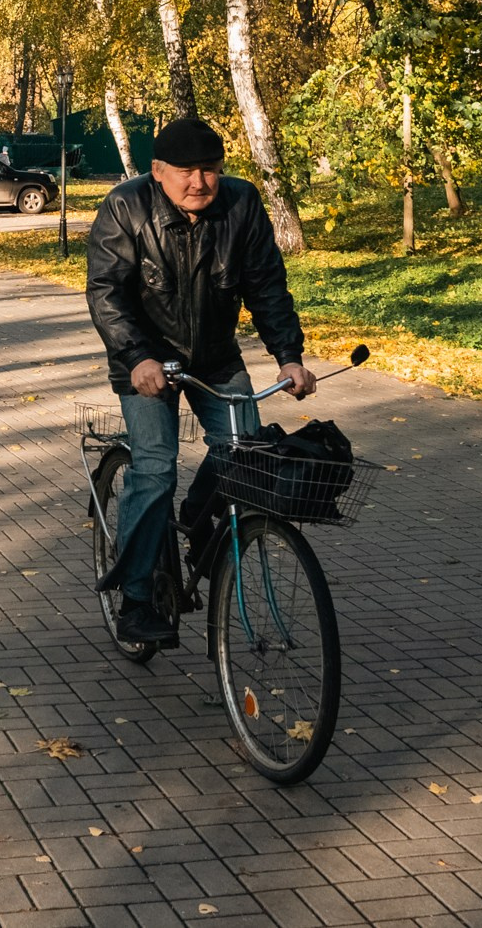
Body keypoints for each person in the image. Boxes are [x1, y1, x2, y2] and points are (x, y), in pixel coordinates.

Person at [84, 116, 313, 647]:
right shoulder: (126, 207)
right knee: (157, 469)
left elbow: (267, 286)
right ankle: (137, 599)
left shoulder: (241, 204)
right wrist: (136, 357)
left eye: (210, 170)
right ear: (158, 171)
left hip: (214, 356)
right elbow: (107, 294)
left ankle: (197, 515)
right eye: (186, 171)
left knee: (247, 453)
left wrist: (289, 357)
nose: (200, 182)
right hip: (143, 361)